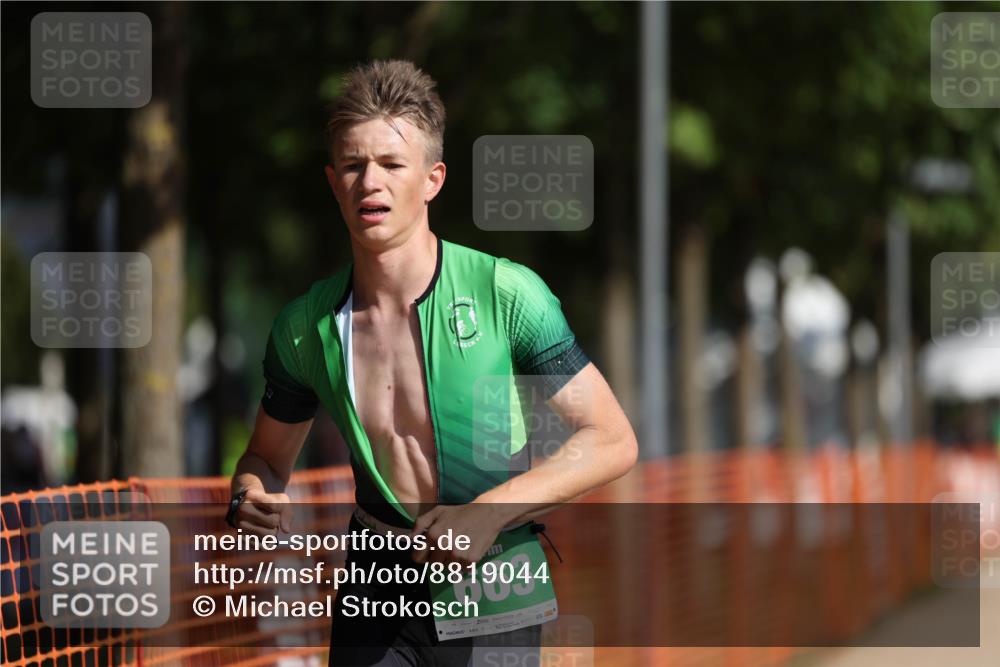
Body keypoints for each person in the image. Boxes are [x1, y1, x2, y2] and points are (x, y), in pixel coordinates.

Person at [228, 59, 638, 666]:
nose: (371, 181)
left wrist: (487, 515)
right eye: (353, 164)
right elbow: (266, 457)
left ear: (432, 179)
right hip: (375, 587)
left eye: (392, 164)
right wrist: (249, 495)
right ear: (332, 180)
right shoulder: (304, 327)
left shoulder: (507, 293)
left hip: (495, 582)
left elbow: (611, 439)